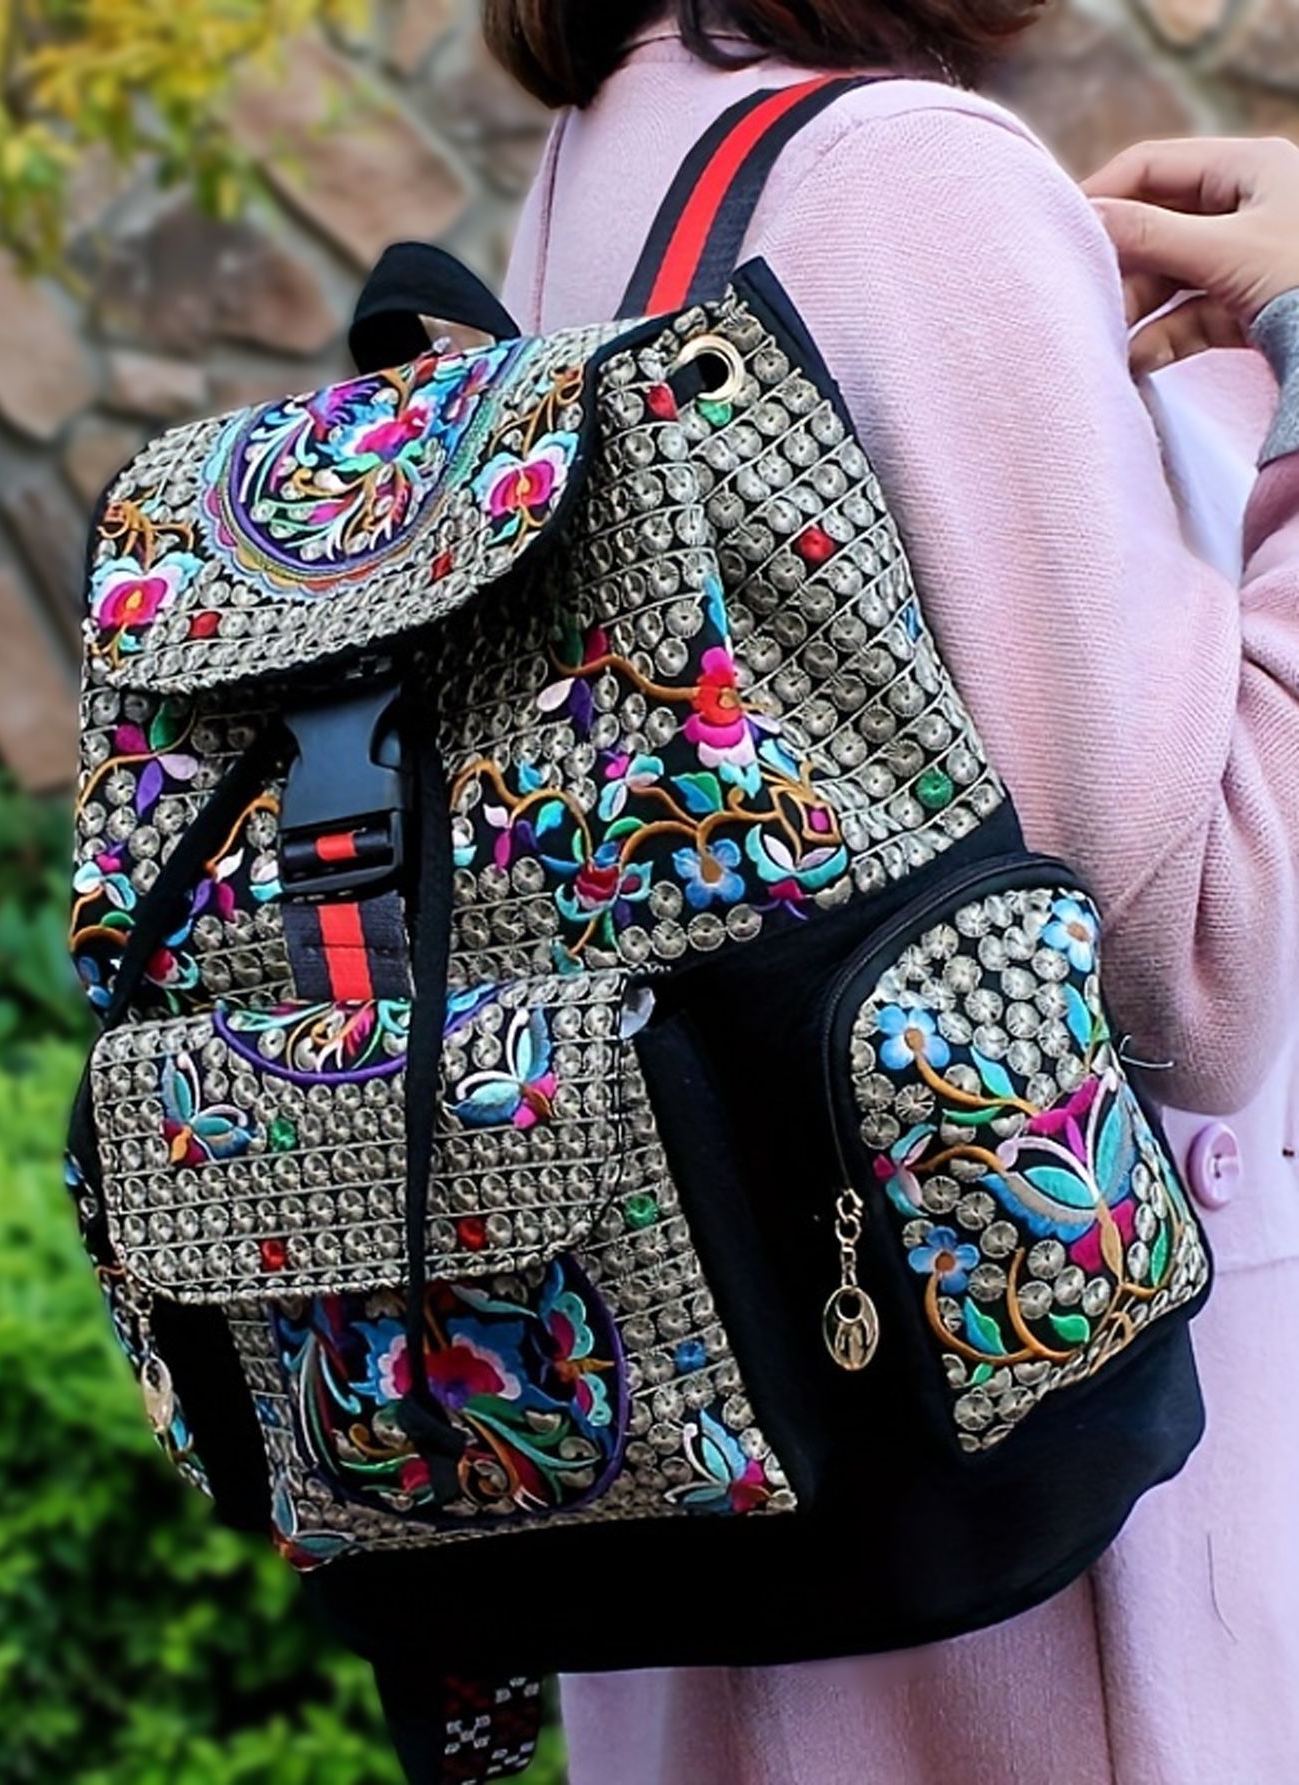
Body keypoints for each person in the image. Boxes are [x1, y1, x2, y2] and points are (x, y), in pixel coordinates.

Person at [481, 3, 1299, 1781]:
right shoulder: (907, 183)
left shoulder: (610, 154)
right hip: (1050, 1631)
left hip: (733, 1613)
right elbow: (1198, 967)